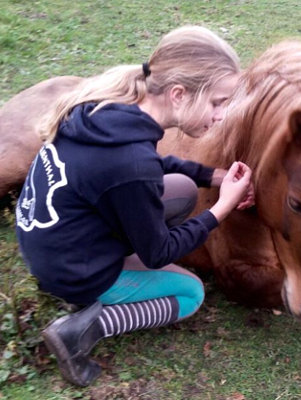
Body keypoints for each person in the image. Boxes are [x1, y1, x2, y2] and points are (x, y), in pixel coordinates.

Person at [15, 25, 254, 387]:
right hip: (73, 271)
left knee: (183, 190)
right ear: (178, 94)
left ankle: (120, 256)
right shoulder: (130, 164)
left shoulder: (115, 104)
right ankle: (82, 330)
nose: (220, 115)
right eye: (217, 102)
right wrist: (221, 208)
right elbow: (159, 252)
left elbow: (149, 163)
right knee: (190, 293)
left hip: (48, 237)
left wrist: (212, 177)